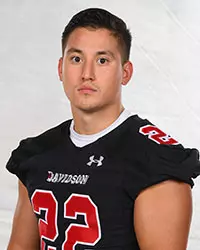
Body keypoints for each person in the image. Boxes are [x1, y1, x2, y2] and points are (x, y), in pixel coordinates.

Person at [6, 7, 200, 250]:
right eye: (76, 59)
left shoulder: (154, 161)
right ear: (60, 68)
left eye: (102, 60)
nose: (87, 74)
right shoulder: (36, 154)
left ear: (125, 73)